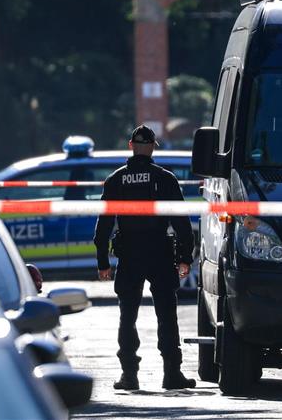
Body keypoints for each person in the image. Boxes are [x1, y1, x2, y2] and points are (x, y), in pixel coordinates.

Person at [93, 125, 196, 391]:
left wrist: (103, 261)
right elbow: (181, 222)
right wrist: (185, 257)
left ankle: (129, 376)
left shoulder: (115, 180)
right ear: (152, 147)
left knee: (127, 315)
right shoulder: (165, 178)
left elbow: (103, 225)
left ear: (131, 145)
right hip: (160, 253)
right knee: (166, 314)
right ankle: (172, 374)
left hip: (129, 255)